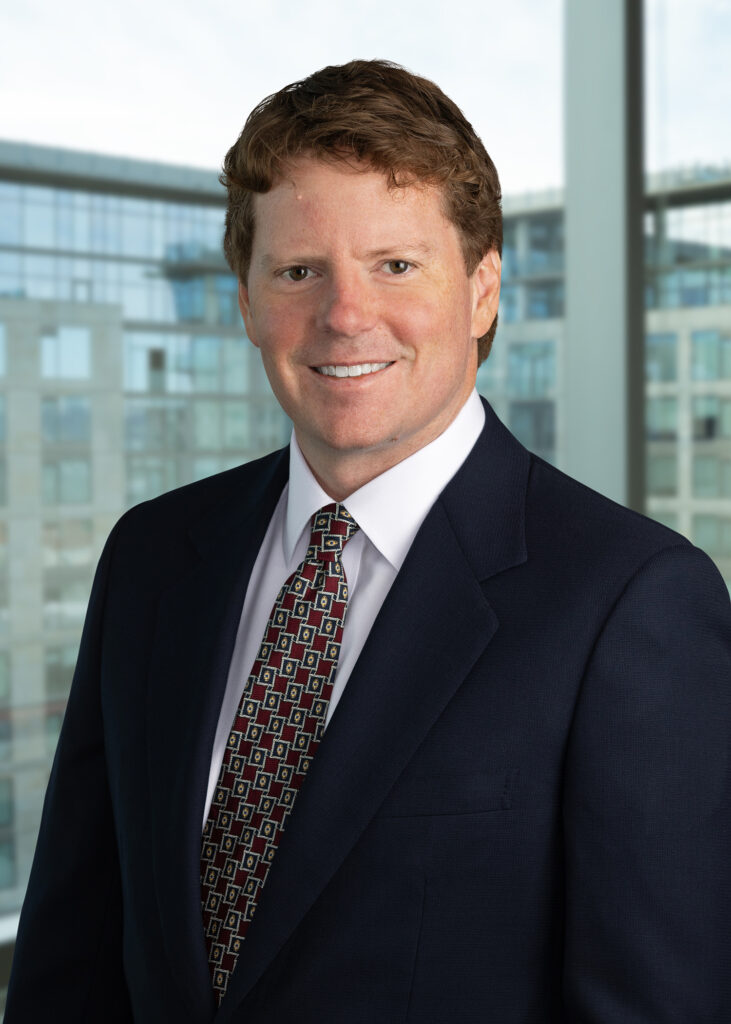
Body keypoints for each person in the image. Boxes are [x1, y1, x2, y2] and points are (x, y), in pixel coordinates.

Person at [6, 59, 731, 1023]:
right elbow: (70, 958)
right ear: (247, 302)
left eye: (395, 265)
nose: (345, 316)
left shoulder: (631, 602)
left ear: (482, 290)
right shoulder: (152, 554)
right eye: (298, 271)